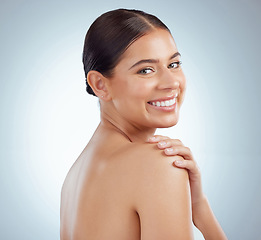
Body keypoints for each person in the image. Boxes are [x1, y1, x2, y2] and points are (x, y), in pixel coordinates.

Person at [60, 8, 227, 240]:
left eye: (174, 64)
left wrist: (199, 206)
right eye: (146, 70)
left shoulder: (76, 176)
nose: (171, 83)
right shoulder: (157, 164)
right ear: (100, 84)